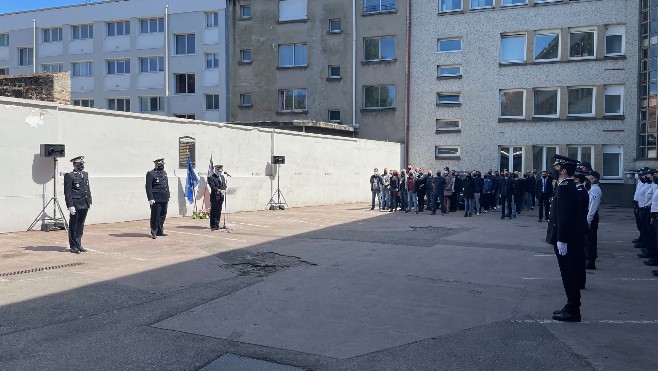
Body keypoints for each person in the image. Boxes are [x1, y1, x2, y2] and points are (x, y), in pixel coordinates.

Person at [546, 155, 585, 322]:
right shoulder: (568, 186)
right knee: (570, 273)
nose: (553, 171)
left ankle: (573, 309)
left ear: (563, 170)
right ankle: (571, 306)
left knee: (568, 274)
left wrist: (561, 239)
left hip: (565, 238)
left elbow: (564, 216)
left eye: (556, 168)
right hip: (570, 237)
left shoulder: (564, 188)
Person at [64, 156, 92, 254]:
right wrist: (70, 205)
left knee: (80, 225)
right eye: (80, 164)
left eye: (82, 164)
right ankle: (73, 246)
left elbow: (87, 189)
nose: (81, 166)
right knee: (73, 225)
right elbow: (67, 192)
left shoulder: (85, 174)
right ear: (75, 165)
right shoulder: (69, 175)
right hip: (75, 204)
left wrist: (89, 201)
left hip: (84, 203)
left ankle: (78, 244)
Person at [145, 158, 170, 239]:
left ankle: (160, 230)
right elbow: (148, 187)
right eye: (160, 164)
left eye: (162, 164)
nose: (162, 166)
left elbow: (166, 185)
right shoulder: (151, 174)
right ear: (156, 164)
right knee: (155, 215)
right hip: (156, 198)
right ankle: (154, 232)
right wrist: (150, 198)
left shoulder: (164, 173)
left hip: (164, 197)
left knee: (163, 215)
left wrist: (168, 195)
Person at [585, 171, 602, 270]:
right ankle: (588, 258)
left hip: (591, 216)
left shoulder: (595, 190)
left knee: (590, 239)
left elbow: (593, 207)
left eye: (590, 178)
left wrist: (589, 219)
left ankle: (591, 261)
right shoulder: (592, 189)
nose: (588, 180)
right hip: (589, 215)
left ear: (594, 179)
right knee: (587, 239)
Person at [208, 164, 228, 230]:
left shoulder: (222, 177)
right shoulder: (211, 177)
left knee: (219, 211)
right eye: (219, 170)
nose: (220, 172)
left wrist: (224, 190)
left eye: (221, 171)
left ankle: (217, 224)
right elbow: (212, 186)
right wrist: (218, 190)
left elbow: (224, 185)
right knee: (214, 211)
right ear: (215, 170)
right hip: (215, 197)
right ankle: (213, 225)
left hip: (221, 197)